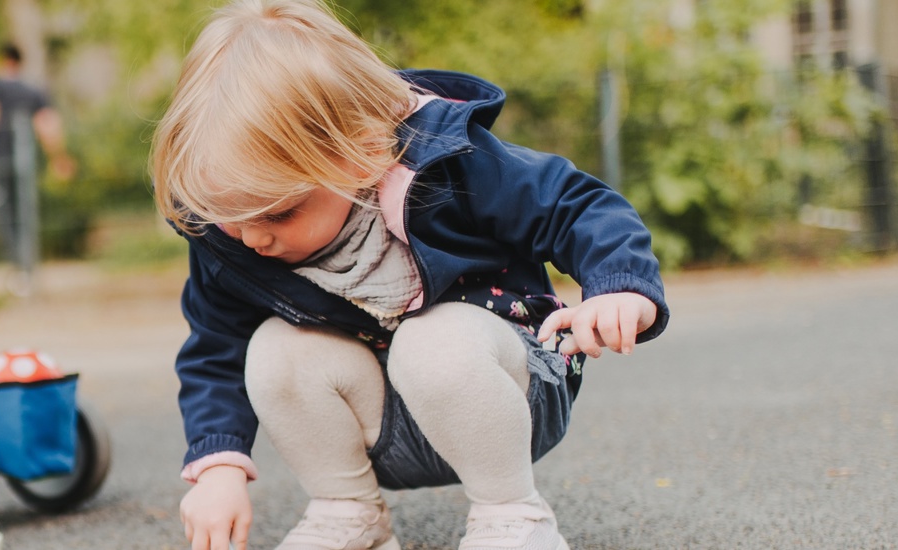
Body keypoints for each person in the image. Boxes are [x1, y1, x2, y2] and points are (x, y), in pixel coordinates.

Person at [151, 2, 670, 549]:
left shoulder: (448, 164)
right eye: (229, 218)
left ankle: (513, 517)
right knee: (275, 351)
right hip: (384, 425)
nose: (252, 238)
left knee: (432, 341)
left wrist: (619, 288)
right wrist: (216, 469)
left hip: (510, 393)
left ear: (362, 153)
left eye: (278, 213)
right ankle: (349, 516)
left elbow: (574, 205)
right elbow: (215, 346)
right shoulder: (231, 239)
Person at [0, 43, 76, 276]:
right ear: (19, 62)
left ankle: (20, 267)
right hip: (28, 164)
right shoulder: (33, 91)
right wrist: (59, 159)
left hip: (0, 161)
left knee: (4, 216)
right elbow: (49, 126)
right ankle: (28, 266)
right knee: (26, 213)